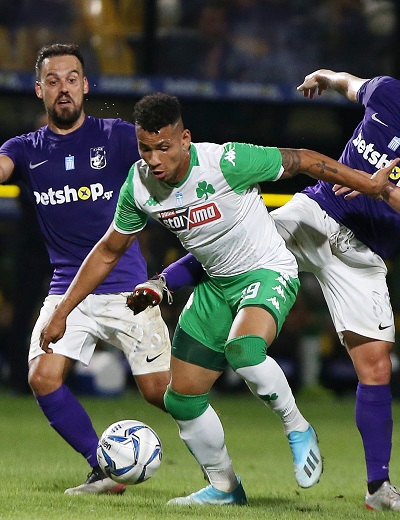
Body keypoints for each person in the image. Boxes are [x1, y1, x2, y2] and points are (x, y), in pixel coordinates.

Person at [39, 93, 394, 506]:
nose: (154, 159)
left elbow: (304, 160)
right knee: (181, 397)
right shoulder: (139, 185)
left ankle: (298, 427)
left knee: (244, 350)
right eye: (145, 149)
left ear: (185, 139)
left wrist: (369, 184)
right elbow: (107, 251)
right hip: (215, 285)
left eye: (164, 147)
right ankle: (225, 487)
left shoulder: (226, 162)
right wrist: (64, 311)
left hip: (266, 271)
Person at [0, 43, 171, 496]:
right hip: (67, 290)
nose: (64, 89)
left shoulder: (117, 136)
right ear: (39, 90)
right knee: (42, 378)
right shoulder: (25, 148)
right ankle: (104, 470)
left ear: (86, 86)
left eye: (72, 79)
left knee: (161, 392)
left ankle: (221, 469)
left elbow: (167, 154)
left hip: (126, 289)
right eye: (53, 81)